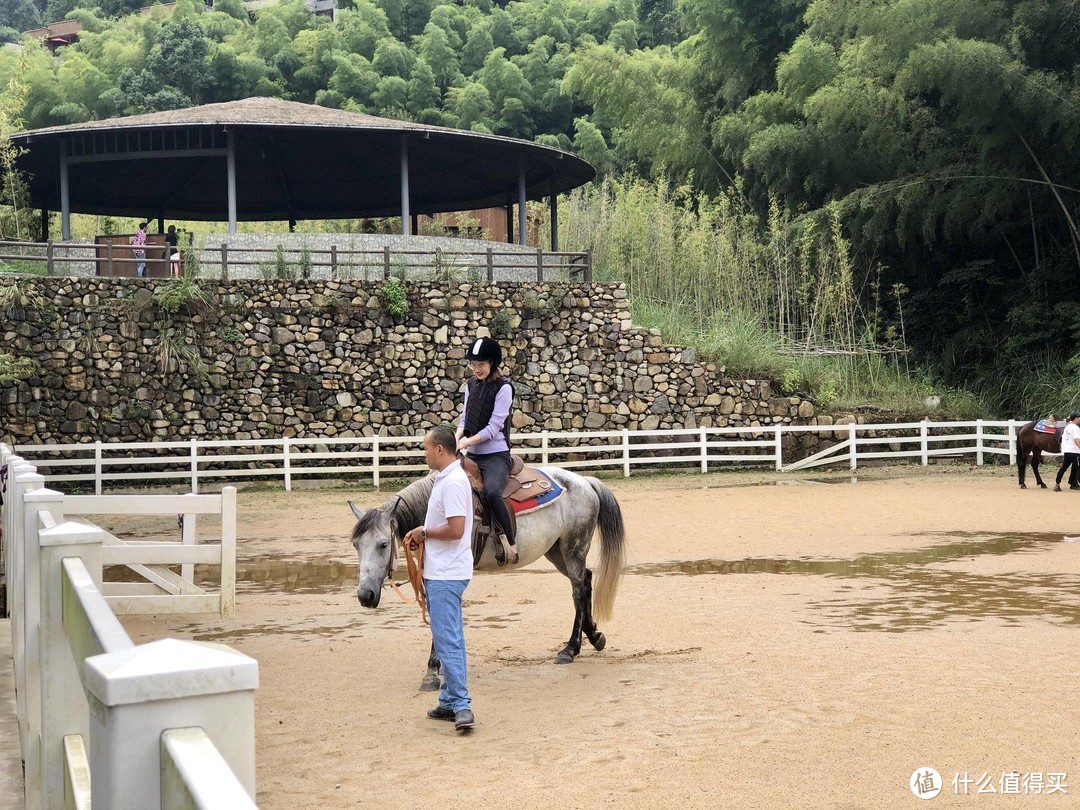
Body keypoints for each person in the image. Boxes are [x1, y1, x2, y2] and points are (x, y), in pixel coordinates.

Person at [403, 425, 476, 732]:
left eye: (426, 448)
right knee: (448, 636)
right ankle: (448, 701)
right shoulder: (445, 480)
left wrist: (425, 532)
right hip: (441, 571)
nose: (424, 453)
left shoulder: (455, 483)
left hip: (447, 573)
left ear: (439, 450)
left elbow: (457, 529)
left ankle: (461, 705)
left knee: (448, 640)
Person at [456, 335, 517, 566]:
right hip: (472, 453)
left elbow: (493, 427)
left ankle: (511, 542)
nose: (476, 368)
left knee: (492, 492)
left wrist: (467, 443)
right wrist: (457, 437)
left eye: (481, 364)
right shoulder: (470, 386)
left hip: (495, 456)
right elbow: (465, 417)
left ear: (492, 363)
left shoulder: (504, 388)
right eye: (473, 364)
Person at [1054, 411, 1080, 491]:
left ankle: (1057, 484)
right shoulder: (1076, 428)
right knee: (1078, 468)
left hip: (1067, 451)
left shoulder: (1067, 427)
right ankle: (1075, 483)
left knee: (1063, 468)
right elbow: (1076, 440)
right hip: (1075, 452)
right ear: (1076, 418)